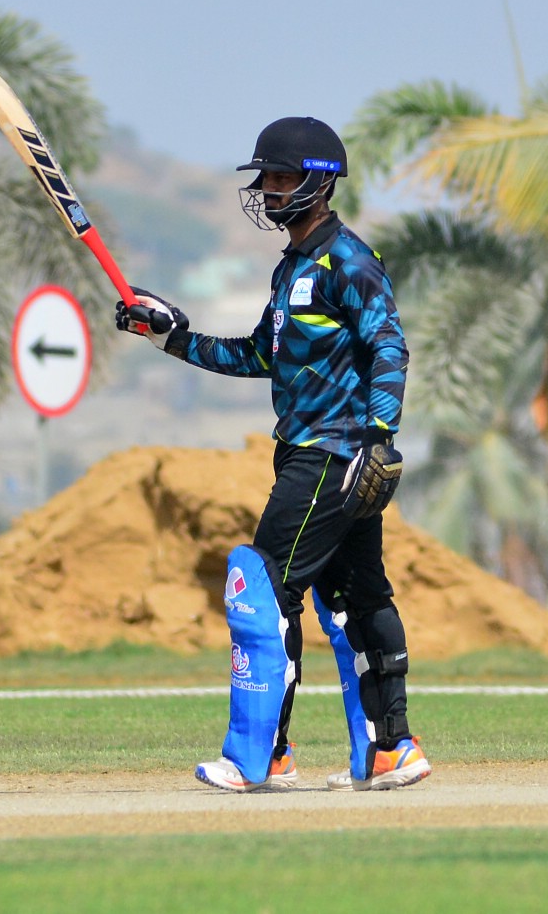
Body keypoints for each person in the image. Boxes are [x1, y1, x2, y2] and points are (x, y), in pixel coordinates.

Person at [115, 116, 429, 792]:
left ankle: (261, 757)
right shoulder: (292, 268)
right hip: (315, 455)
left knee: (259, 588)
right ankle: (389, 750)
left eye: (282, 177)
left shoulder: (347, 261)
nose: (268, 189)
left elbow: (390, 346)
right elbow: (259, 355)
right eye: (265, 178)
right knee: (354, 600)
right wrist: (170, 336)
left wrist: (380, 438)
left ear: (319, 183)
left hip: (331, 454)